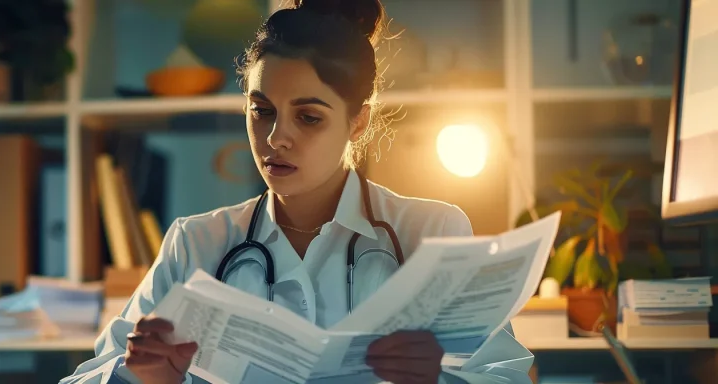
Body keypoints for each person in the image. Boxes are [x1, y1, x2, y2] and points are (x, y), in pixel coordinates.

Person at [61, 0, 534, 383]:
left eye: (308, 117)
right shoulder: (197, 244)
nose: (274, 138)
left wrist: (438, 382)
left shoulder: (432, 233)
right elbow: (85, 379)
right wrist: (135, 377)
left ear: (358, 121)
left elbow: (509, 376)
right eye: (261, 110)